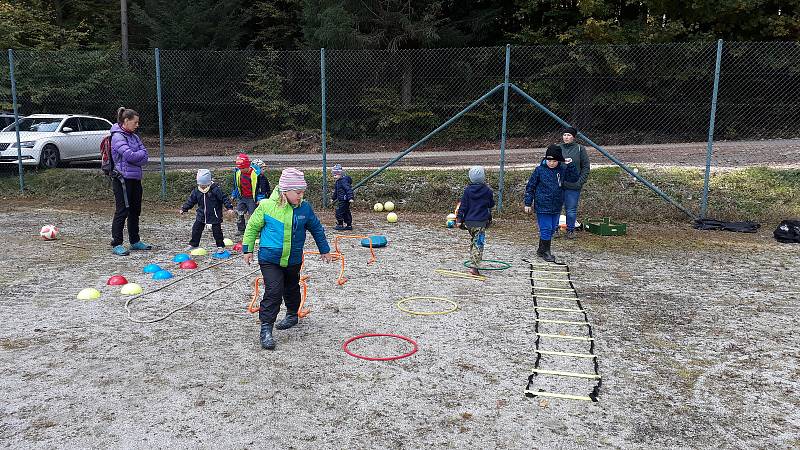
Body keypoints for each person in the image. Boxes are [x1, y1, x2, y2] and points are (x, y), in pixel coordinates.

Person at [242, 168, 334, 350]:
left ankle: (292, 314)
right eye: (297, 193)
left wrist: (324, 249)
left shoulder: (305, 208)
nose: (301, 196)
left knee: (292, 288)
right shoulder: (267, 206)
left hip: (293, 259)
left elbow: (316, 228)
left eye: (302, 192)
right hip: (270, 259)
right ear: (285, 191)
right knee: (274, 291)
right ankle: (266, 328)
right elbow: (252, 227)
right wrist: (248, 249)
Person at [109, 107, 152, 256]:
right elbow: (129, 155)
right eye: (135, 122)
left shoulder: (134, 137)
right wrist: (137, 156)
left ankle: (135, 241)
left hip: (135, 178)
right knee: (123, 211)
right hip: (122, 179)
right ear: (126, 121)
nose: (137, 125)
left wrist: (137, 155)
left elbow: (145, 156)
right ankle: (117, 243)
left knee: (135, 210)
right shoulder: (117, 137)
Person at [524, 144, 577, 262]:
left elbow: (573, 178)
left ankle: (541, 249)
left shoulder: (562, 170)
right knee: (546, 228)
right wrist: (528, 203)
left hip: (556, 205)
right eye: (549, 160)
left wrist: (570, 165)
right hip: (542, 205)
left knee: (553, 228)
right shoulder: (539, 170)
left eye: (554, 161)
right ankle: (546, 252)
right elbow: (530, 186)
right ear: (545, 159)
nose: (551, 163)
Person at [179, 169, 235, 254]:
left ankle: (220, 246)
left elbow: (224, 198)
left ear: (208, 183)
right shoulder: (196, 191)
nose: (202, 187)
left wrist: (229, 208)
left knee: (217, 232)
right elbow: (191, 201)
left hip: (214, 215)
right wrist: (184, 208)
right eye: (201, 185)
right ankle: (194, 244)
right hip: (201, 214)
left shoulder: (215, 189)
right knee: (196, 229)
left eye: (204, 185)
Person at [455, 166, 495, 276]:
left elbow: (463, 206)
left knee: (474, 241)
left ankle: (473, 260)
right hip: (480, 222)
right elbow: (491, 204)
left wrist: (459, 219)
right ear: (483, 177)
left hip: (469, 222)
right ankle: (474, 268)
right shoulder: (487, 191)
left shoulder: (467, 191)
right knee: (479, 244)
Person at [558, 126, 591, 239]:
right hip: (559, 185)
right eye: (564, 135)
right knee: (556, 208)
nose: (566, 137)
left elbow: (586, 167)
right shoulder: (558, 148)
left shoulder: (580, 149)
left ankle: (570, 230)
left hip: (573, 185)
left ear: (573, 137)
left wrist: (580, 182)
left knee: (571, 209)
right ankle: (554, 229)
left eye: (569, 135)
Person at [232, 153, 270, 236]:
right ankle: (241, 229)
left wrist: (260, 198)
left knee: (253, 215)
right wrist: (234, 194)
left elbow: (261, 189)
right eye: (239, 168)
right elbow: (236, 185)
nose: (241, 170)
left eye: (242, 168)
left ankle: (255, 230)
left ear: (247, 166)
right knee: (239, 212)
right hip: (242, 197)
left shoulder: (256, 175)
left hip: (252, 199)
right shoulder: (238, 173)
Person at [331, 164, 354, 230]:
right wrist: (333, 198)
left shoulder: (343, 181)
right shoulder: (338, 182)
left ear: (340, 174)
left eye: (336, 175)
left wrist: (350, 197)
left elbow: (348, 189)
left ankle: (340, 224)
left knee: (339, 212)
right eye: (334, 175)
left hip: (344, 199)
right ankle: (349, 225)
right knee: (346, 211)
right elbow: (336, 191)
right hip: (341, 199)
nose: (335, 176)